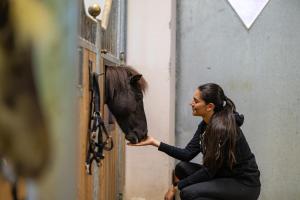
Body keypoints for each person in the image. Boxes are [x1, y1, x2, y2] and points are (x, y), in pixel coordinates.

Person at [128, 83, 261, 200]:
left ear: (209, 106)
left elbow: (209, 171)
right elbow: (187, 153)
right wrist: (154, 142)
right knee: (182, 168)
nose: (191, 103)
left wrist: (176, 187)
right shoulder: (206, 124)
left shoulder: (222, 129)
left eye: (196, 101)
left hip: (243, 184)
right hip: (222, 175)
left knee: (188, 193)